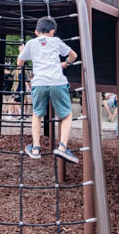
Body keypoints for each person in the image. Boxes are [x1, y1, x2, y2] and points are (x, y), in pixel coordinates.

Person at [17, 16, 78, 163]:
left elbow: (20, 63)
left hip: (39, 82)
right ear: (52, 31)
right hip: (57, 82)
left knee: (37, 114)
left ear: (36, 32)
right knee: (66, 115)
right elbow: (73, 55)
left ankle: (36, 148)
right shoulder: (56, 41)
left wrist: (22, 51)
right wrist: (66, 63)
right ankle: (62, 147)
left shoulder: (31, 43)